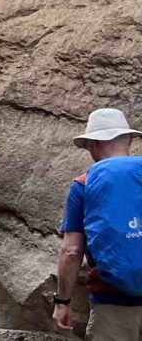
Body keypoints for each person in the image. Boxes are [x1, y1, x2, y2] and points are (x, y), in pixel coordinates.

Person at [54, 108, 142, 340]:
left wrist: (62, 301)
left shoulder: (83, 185)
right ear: (130, 139)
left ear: (93, 145)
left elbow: (71, 251)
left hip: (112, 304)